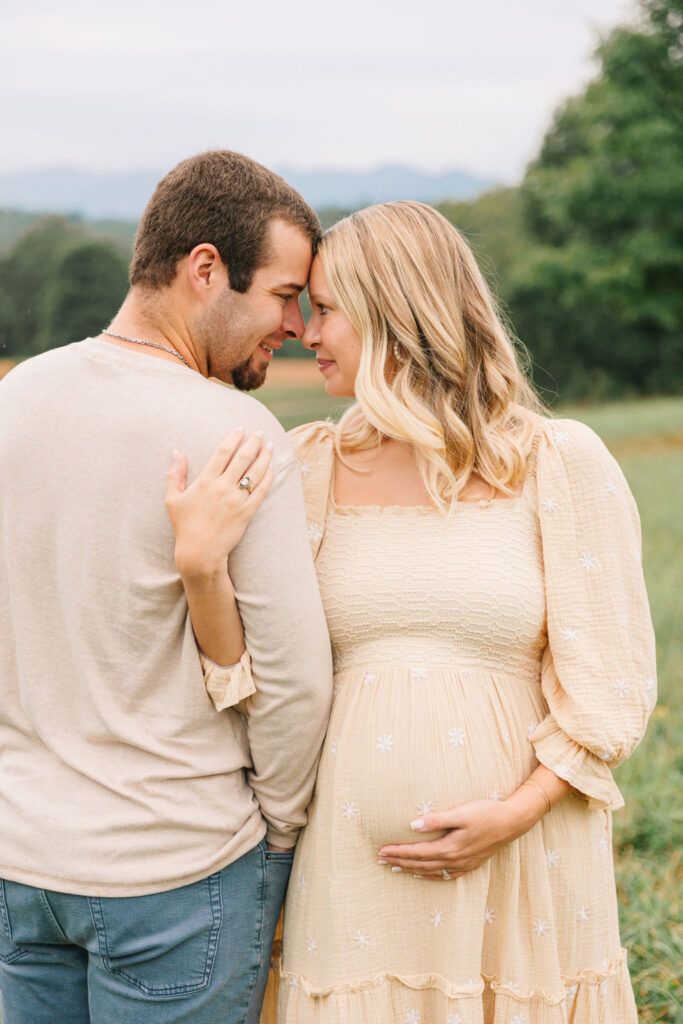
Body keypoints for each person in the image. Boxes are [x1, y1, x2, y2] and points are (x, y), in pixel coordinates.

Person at [172, 200, 656, 1024]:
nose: (303, 332)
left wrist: (513, 812)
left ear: (397, 313)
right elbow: (244, 681)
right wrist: (201, 570)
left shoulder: (555, 463)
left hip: (524, 870)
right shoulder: (308, 469)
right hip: (349, 888)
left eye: (324, 311)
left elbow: (610, 687)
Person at [0, 150, 333, 1024]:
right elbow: (294, 687)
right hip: (179, 874)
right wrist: (281, 835)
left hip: (21, 866)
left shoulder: (15, 400)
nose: (293, 325)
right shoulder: (237, 433)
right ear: (205, 270)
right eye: (281, 294)